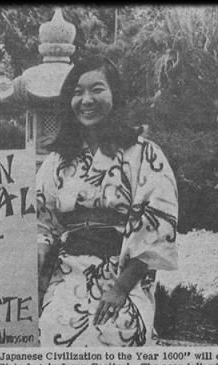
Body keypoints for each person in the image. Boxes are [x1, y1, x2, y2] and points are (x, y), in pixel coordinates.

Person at [36, 56, 178, 347]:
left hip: (124, 272)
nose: (86, 100)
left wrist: (121, 288)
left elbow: (157, 226)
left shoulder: (145, 154)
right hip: (67, 270)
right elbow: (43, 224)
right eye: (77, 92)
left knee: (118, 329)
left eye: (97, 89)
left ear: (115, 94)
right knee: (50, 328)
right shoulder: (58, 160)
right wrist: (38, 266)